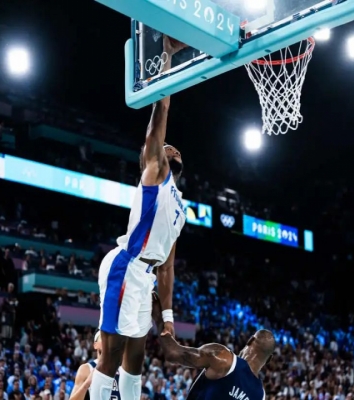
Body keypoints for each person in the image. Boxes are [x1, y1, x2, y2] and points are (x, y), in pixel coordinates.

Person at [91, 35, 188, 400]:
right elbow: (160, 111)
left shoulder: (181, 209)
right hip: (125, 266)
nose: (166, 147)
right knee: (112, 356)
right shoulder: (155, 173)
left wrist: (167, 318)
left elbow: (167, 267)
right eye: (160, 147)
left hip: (145, 276)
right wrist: (165, 57)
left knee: (136, 360)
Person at [152, 293, 274, 400]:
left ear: (250, 340)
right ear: (269, 360)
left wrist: (158, 317)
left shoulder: (223, 358)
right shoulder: (260, 395)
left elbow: (172, 353)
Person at [70, 330, 120, 400]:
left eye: (110, 339)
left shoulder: (122, 369)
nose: (107, 341)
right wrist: (87, 383)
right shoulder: (86, 369)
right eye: (103, 338)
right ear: (95, 345)